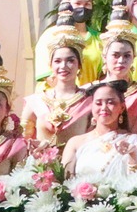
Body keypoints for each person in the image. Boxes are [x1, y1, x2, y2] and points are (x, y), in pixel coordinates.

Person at [22, 22, 92, 150]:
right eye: (58, 61)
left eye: (70, 61)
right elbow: (22, 142)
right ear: (51, 65)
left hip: (77, 161)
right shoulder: (37, 101)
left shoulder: (90, 101)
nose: (63, 66)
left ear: (80, 64)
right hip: (41, 162)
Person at [62, 82, 137, 182]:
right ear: (92, 107)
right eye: (98, 103)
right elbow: (65, 182)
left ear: (122, 107)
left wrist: (133, 155)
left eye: (110, 102)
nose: (104, 108)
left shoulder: (132, 141)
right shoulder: (75, 143)